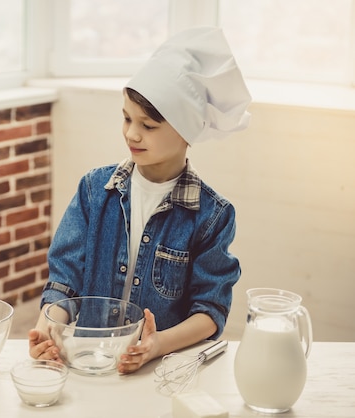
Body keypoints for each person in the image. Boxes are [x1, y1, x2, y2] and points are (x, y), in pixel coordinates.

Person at [28, 27, 252, 373]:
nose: (131, 133)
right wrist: (48, 326)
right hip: (88, 360)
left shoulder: (212, 216)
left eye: (148, 125)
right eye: (127, 117)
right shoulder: (94, 189)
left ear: (186, 130)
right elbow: (64, 280)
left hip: (160, 370)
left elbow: (210, 310)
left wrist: (157, 344)